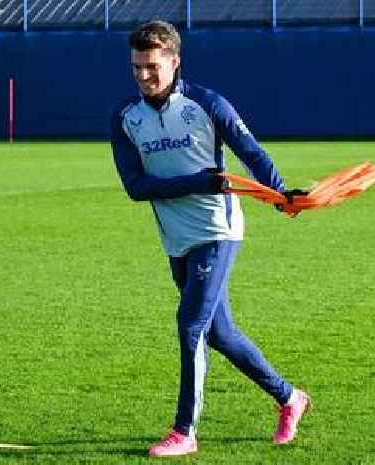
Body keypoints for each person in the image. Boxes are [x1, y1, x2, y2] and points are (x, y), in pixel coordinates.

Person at [109, 21, 311, 457]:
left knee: (191, 325)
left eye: (152, 67)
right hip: (175, 239)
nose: (143, 76)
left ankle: (184, 431)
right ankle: (290, 397)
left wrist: (280, 194)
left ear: (174, 62)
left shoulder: (207, 104)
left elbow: (250, 151)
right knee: (220, 333)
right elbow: (136, 187)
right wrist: (199, 182)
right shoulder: (126, 117)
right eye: (136, 67)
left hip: (218, 231)